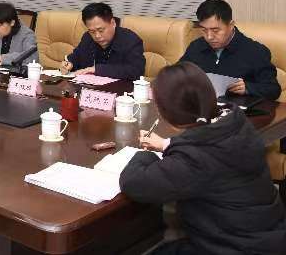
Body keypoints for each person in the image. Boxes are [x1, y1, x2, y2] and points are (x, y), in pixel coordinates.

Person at [119, 62, 286, 254]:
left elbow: (134, 183)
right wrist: (167, 144)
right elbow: (206, 151)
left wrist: (145, 154)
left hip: (235, 247)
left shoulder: (194, 159)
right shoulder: (235, 122)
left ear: (166, 111)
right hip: (268, 233)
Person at [180, 0, 280, 100]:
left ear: (231, 25)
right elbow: (177, 76)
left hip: (237, 107)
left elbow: (273, 90)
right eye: (204, 30)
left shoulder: (255, 51)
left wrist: (247, 88)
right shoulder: (196, 46)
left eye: (215, 30)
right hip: (201, 104)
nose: (209, 37)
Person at [60, 2, 145, 80]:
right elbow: (77, 56)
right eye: (92, 31)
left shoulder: (130, 40)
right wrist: (69, 64)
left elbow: (136, 71)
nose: (97, 36)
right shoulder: (88, 37)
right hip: (89, 87)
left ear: (113, 23)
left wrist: (97, 69)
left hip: (119, 90)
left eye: (101, 30)